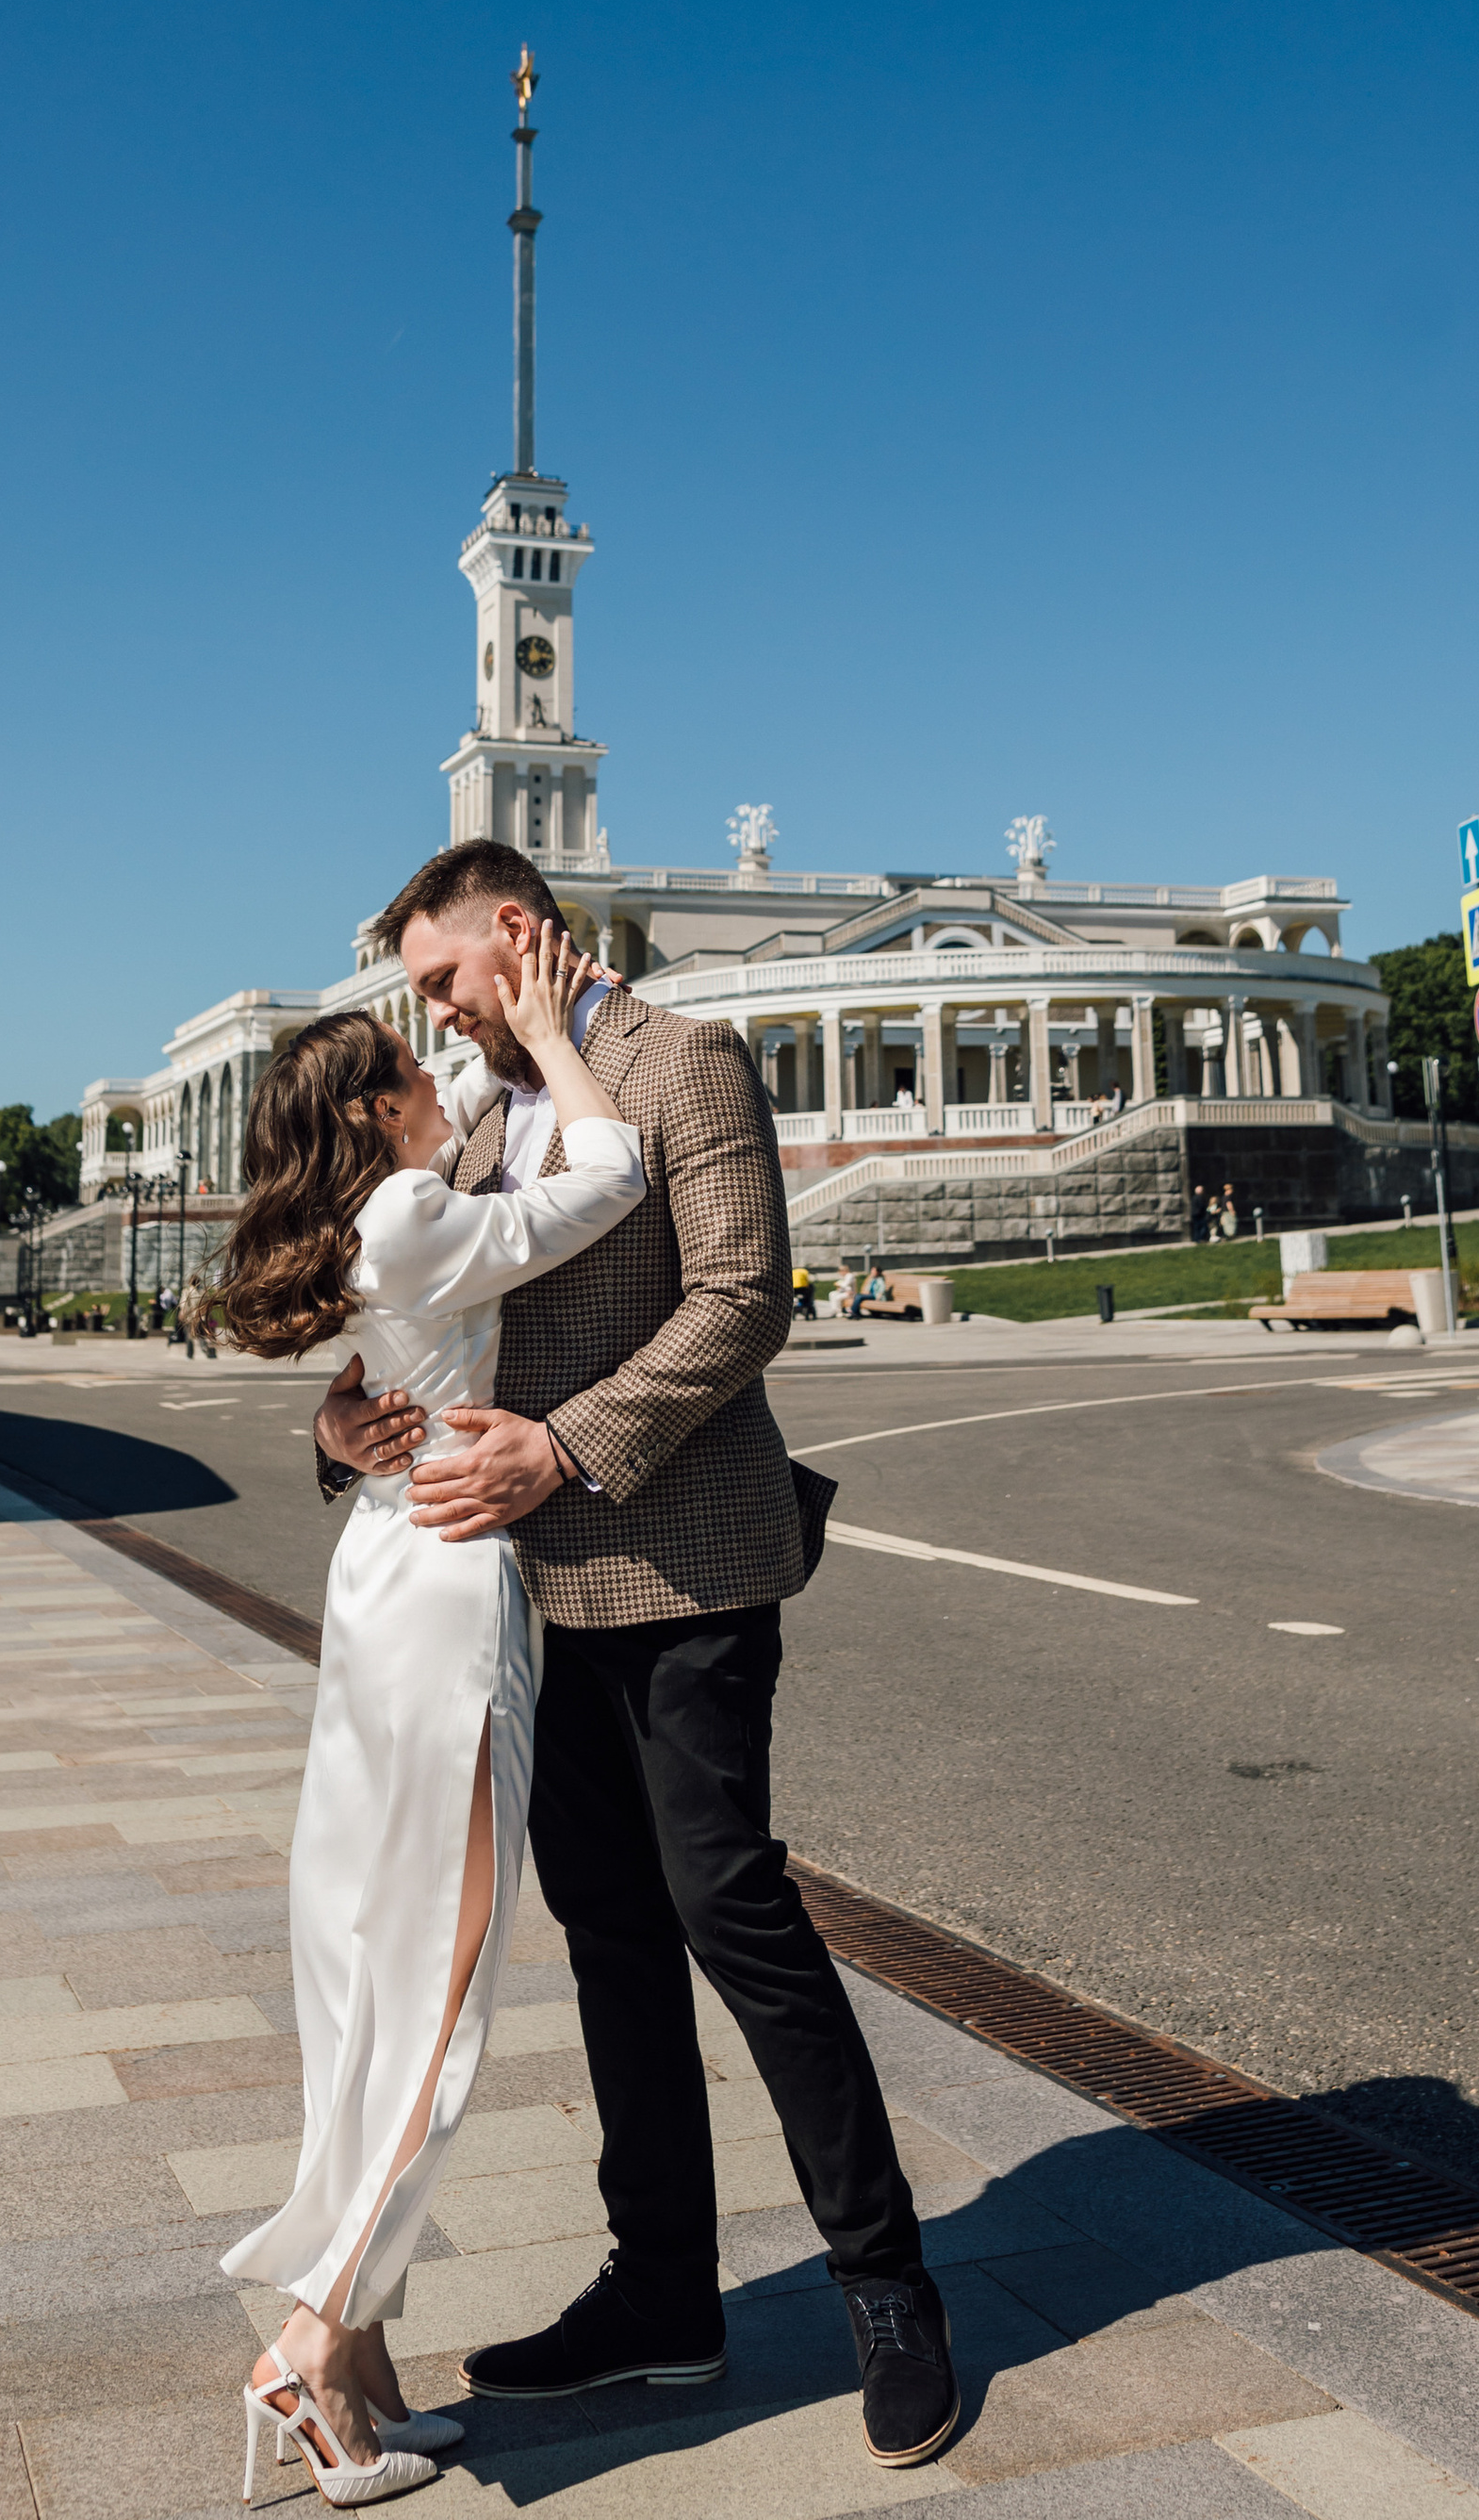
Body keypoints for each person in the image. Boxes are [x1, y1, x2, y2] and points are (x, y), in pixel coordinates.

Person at [315, 844, 954, 2477]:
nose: (433, 1011)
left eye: (446, 977)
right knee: (609, 1935)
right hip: (520, 1597)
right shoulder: (467, 1107)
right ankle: (665, 2289)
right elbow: (426, 1310)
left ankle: (889, 2287)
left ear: (518, 935)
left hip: (682, 1562)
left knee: (730, 1905)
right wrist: (343, 1425)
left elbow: (742, 1303)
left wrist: (564, 1449)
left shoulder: (685, 1064)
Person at [216, 925, 645, 2502]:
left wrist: (497, 1023)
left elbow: (455, 1095)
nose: (443, 1063)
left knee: (365, 1972)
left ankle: (373, 2385)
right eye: (419, 1063)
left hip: (379, 1582)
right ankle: (314, 2358)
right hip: (454, 1602)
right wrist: (553, 1025)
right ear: (386, 1108)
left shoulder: (355, 1210)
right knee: (443, 1981)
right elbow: (602, 1180)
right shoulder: (408, 1211)